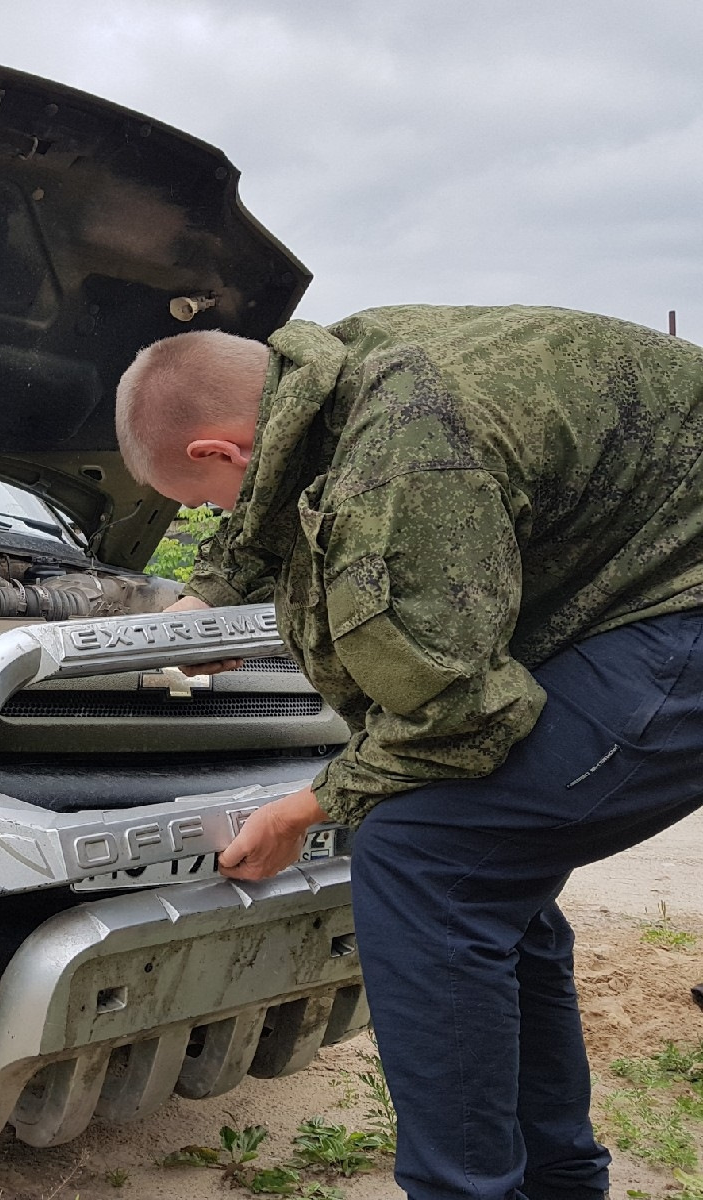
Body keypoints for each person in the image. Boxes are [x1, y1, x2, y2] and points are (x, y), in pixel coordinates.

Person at [113, 305, 703, 1200]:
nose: (209, 516)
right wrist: (209, 596)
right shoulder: (335, 369)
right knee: (495, 881)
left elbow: (463, 715)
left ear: (214, 451)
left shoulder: (405, 460)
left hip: (678, 611)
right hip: (647, 573)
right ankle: (559, 1184)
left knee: (423, 857)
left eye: (199, 505)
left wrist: (305, 808)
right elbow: (281, 489)